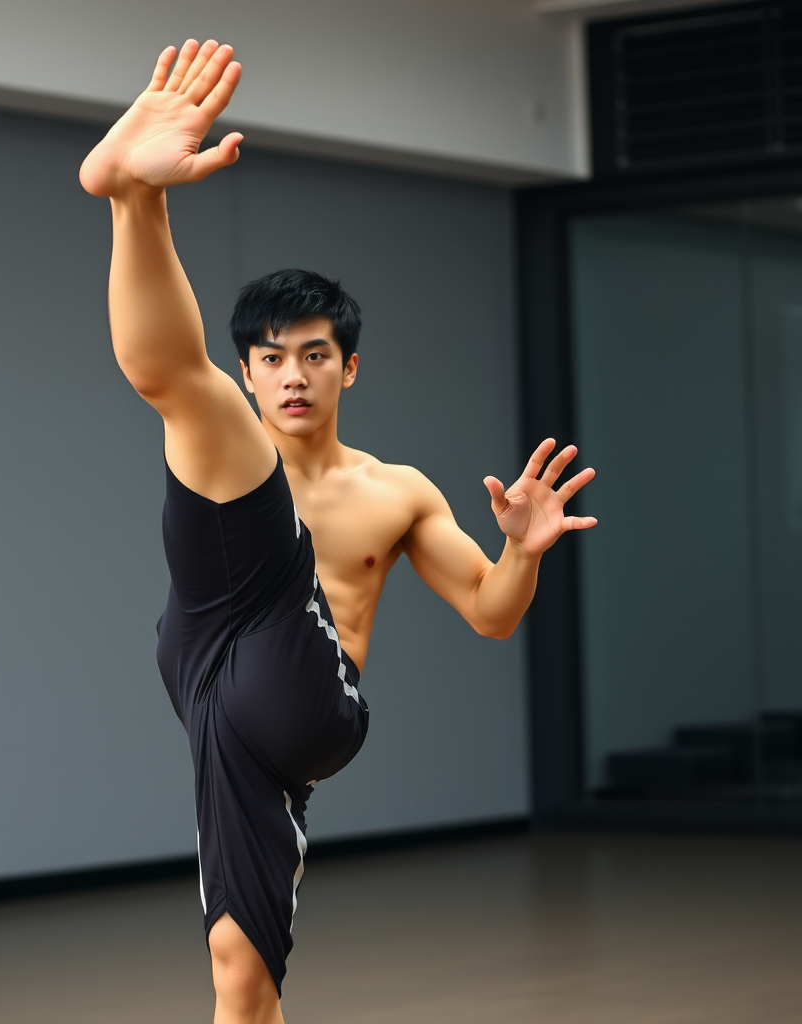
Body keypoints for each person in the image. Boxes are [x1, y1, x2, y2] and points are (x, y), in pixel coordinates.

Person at [79, 38, 596, 1024]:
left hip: (304, 707)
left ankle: (133, 198)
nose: (292, 377)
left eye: (314, 356)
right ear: (253, 368)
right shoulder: (236, 434)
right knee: (241, 972)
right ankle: (129, 196)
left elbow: (491, 614)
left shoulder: (394, 491)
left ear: (347, 369)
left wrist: (521, 553)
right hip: (211, 671)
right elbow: (188, 378)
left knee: (241, 972)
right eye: (269, 359)